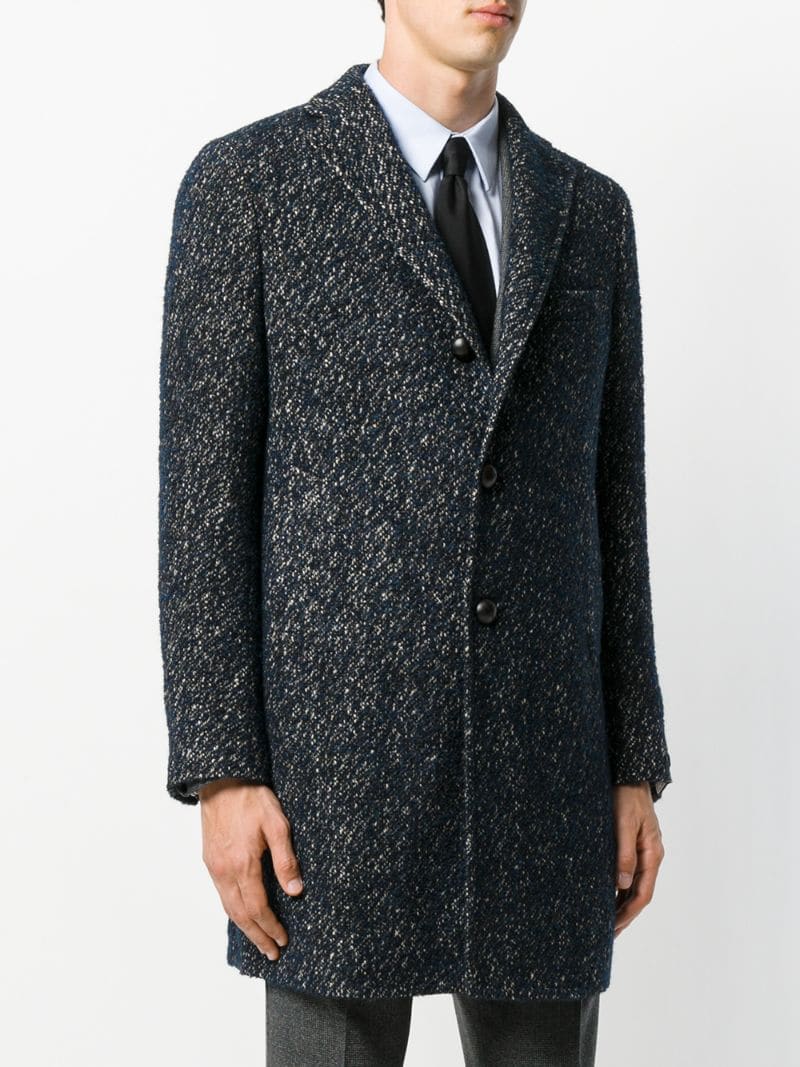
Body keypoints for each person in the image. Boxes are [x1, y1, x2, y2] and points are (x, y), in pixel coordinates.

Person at [158, 1, 673, 1063]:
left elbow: (613, 504)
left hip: (546, 767)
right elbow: (204, 505)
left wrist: (633, 760)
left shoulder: (589, 212)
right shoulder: (251, 184)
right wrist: (221, 770)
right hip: (329, 784)